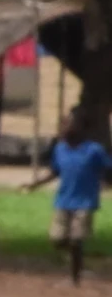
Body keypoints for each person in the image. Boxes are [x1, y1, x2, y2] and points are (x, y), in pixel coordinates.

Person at [25, 101, 112, 285]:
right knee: (57, 239)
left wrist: (106, 181)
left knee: (77, 240)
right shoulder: (60, 149)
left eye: (70, 123)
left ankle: (75, 278)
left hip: (85, 202)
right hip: (63, 201)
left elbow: (107, 167)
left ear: (82, 128)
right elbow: (55, 171)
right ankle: (78, 262)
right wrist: (35, 184)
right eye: (64, 124)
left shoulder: (93, 150)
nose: (66, 127)